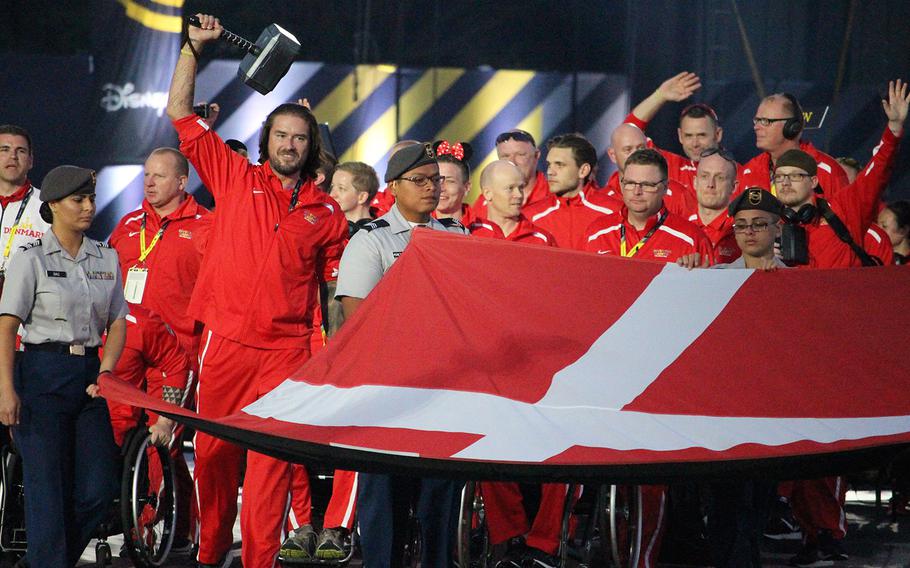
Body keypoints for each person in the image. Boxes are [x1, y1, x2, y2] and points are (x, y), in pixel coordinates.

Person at [166, 14, 348, 568]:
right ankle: (211, 550)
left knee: (270, 465)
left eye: (299, 137)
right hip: (226, 343)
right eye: (281, 135)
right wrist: (194, 50)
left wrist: (339, 351)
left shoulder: (329, 213)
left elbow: (337, 291)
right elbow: (179, 114)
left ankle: (260, 561)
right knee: (217, 458)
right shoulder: (234, 176)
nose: (290, 144)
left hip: (286, 353)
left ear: (311, 145)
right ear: (267, 139)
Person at [336, 143, 466, 568]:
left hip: (444, 389)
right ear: (393, 187)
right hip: (388, 391)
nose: (432, 188)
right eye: (420, 180)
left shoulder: (457, 236)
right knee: (384, 506)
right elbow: (359, 320)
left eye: (437, 180)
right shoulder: (370, 241)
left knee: (439, 506)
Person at [0, 165, 128, 568]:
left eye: (91, 198)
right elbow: (6, 328)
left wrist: (106, 370)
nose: (89, 206)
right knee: (46, 491)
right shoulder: (30, 259)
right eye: (78, 199)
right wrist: (5, 389)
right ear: (53, 205)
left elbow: (119, 320)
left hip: (90, 378)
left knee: (98, 488)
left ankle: (41, 561)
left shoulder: (105, 256)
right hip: (39, 374)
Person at [773, 79, 907, 269]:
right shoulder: (770, 228)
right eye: (779, 177)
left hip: (846, 298)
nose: (785, 182)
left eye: (795, 176)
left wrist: (893, 130)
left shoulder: (843, 209)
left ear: (813, 181)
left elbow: (875, 174)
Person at [585, 148, 713, 267]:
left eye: (646, 184)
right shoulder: (597, 232)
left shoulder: (692, 239)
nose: (636, 191)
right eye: (630, 183)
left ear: (665, 188)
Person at [522, 133, 620, 250]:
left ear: (583, 171)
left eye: (559, 165)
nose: (550, 172)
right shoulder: (530, 217)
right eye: (549, 164)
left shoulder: (615, 212)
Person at [741, 93, 849, 197]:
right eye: (757, 120)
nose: (756, 127)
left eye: (765, 121)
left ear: (792, 127)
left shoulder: (826, 173)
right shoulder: (749, 171)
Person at [602, 123, 696, 218]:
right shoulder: (601, 202)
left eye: (641, 148)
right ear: (612, 155)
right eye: (628, 150)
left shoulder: (678, 195)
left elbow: (696, 231)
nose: (636, 154)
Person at [0, 125, 50, 284]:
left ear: (30, 161)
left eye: (21, 151)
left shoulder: (47, 207)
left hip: (28, 302)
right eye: (5, 149)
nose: (13, 156)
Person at [467, 160, 558, 246]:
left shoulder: (541, 240)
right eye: (510, 188)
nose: (519, 195)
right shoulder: (469, 235)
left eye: (521, 188)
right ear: (488, 193)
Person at [472, 129, 551, 218]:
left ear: (536, 155)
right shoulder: (486, 201)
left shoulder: (554, 197)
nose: (512, 162)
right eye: (505, 156)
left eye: (520, 155)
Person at [688, 147, 741, 264]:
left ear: (734, 187)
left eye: (720, 178)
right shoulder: (678, 226)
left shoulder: (745, 232)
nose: (710, 184)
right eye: (704, 176)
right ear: (695, 182)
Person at [432, 140, 476, 226]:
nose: (441, 188)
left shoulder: (489, 233)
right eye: (436, 180)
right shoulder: (416, 228)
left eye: (450, 181)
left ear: (467, 187)